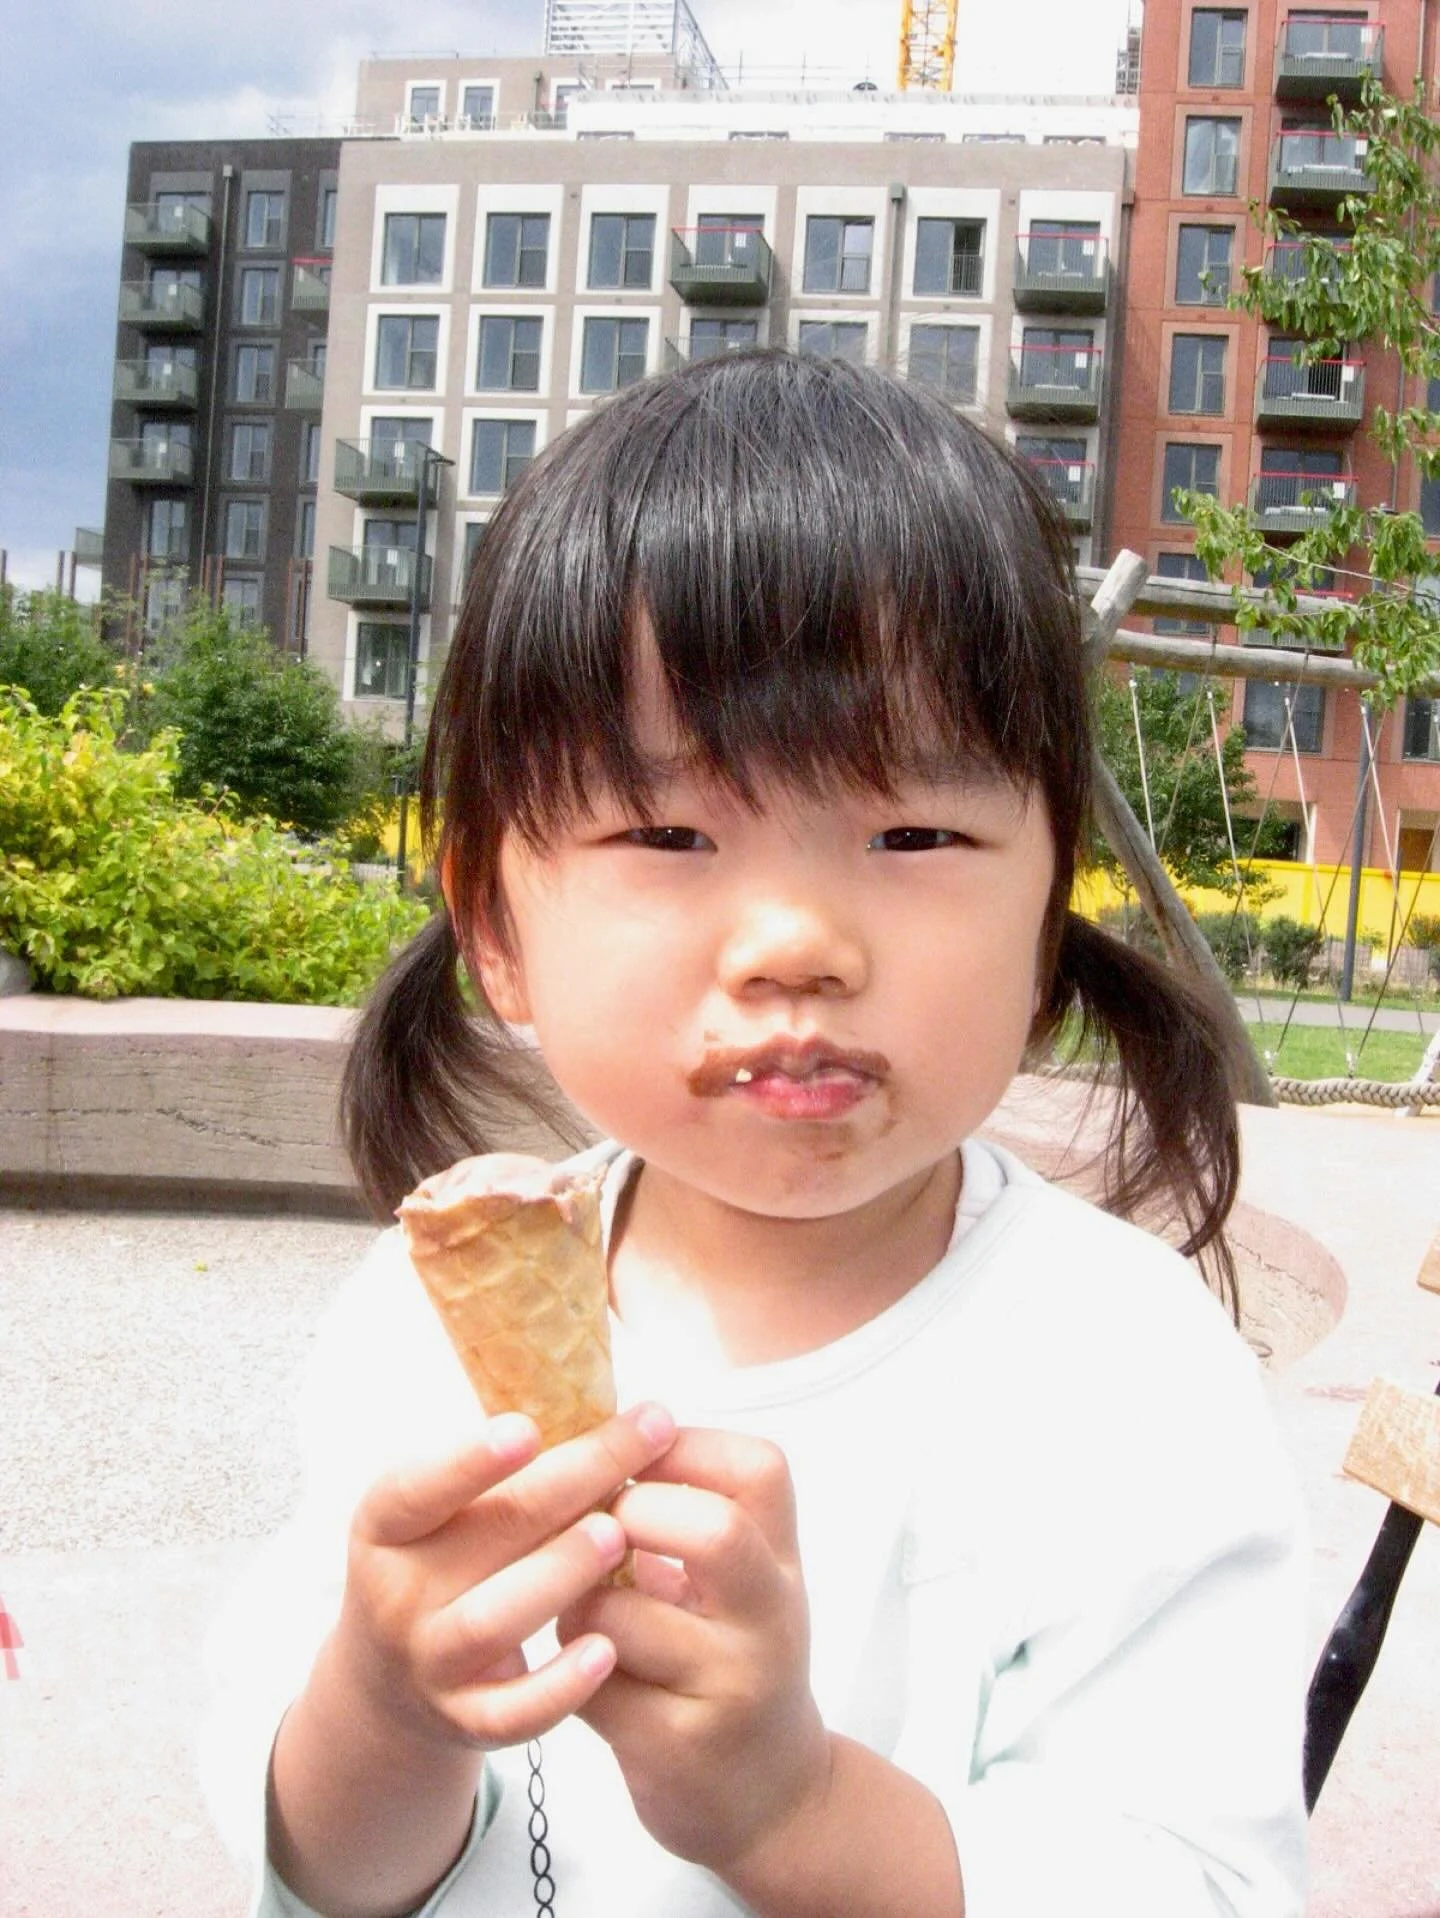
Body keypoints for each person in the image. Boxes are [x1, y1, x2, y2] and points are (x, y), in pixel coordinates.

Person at [202, 350, 1309, 1918]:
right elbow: (325, 1874)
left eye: (914, 831)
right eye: (669, 833)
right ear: (494, 924)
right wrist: (384, 1708)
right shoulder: (415, 1335)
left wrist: (796, 1806)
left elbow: (1201, 1884)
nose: (795, 937)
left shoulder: (1123, 1372)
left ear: (1051, 906)